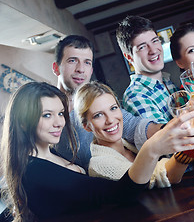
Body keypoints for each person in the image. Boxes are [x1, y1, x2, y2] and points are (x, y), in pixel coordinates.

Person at [0, 82, 194, 221]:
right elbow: (119, 193)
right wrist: (152, 148)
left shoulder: (52, 157)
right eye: (47, 115)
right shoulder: (34, 171)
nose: (58, 123)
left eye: (60, 113)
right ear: (22, 121)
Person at [73, 81, 194, 189]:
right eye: (98, 115)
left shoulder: (129, 144)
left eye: (113, 108)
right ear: (86, 126)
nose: (110, 120)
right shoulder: (99, 164)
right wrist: (188, 141)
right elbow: (157, 178)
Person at [52, 35, 162, 169]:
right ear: (56, 68)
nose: (81, 69)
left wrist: (173, 128)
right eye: (72, 60)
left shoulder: (98, 102)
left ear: (91, 70)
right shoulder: (45, 114)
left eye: (87, 62)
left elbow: (134, 125)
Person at [116, 16, 178, 123]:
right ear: (129, 57)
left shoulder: (166, 81)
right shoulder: (135, 96)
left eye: (155, 41)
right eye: (142, 47)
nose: (153, 50)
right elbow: (169, 137)